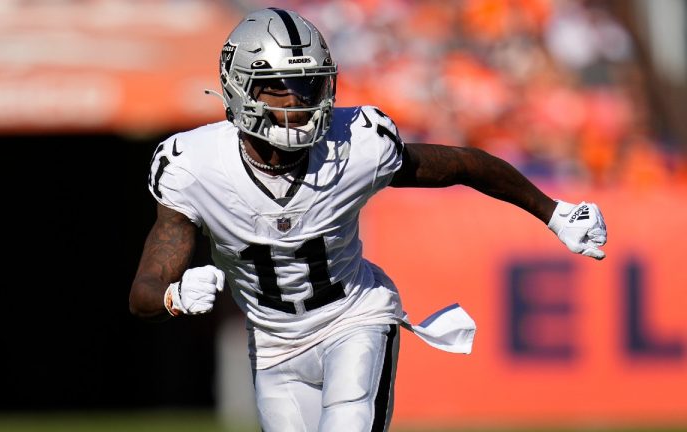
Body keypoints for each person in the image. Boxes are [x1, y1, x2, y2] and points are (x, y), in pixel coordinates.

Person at [129, 7, 607, 432]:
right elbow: (143, 290)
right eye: (279, 88)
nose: (297, 103)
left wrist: (554, 212)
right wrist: (172, 295)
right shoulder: (193, 166)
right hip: (274, 348)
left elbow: (464, 164)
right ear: (240, 87)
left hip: (354, 320)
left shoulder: (357, 144)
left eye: (308, 85)